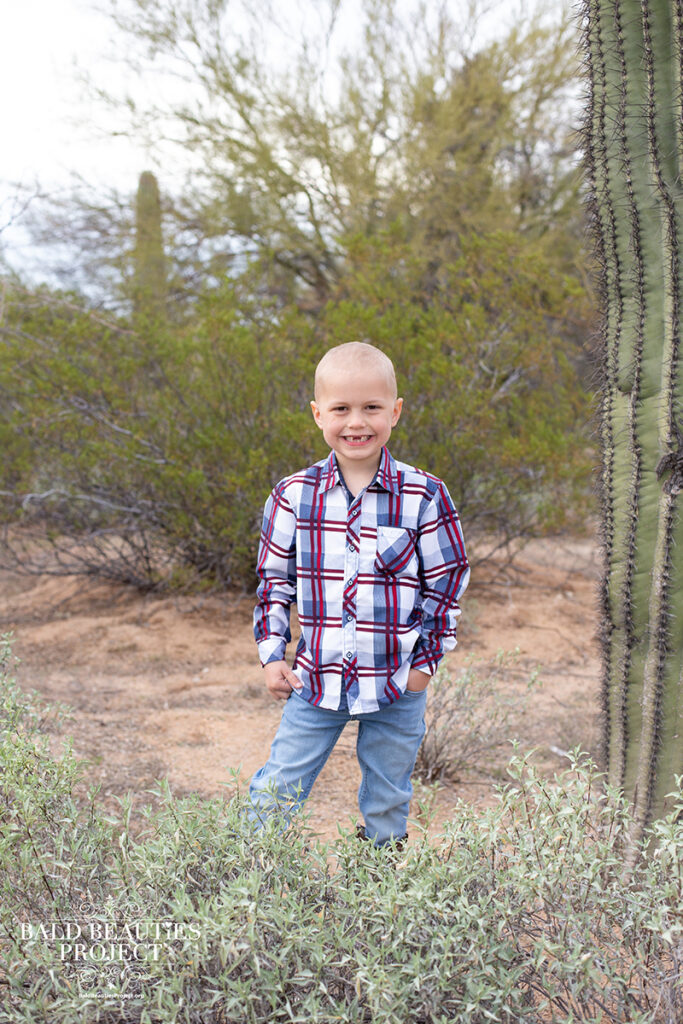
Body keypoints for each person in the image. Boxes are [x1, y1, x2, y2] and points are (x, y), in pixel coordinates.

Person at [249, 341, 470, 847]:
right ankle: (247, 874)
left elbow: (447, 582)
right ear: (317, 414)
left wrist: (423, 667)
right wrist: (272, 655)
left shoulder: (424, 494)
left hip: (396, 682)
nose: (356, 422)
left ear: (395, 411)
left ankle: (380, 882)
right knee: (277, 787)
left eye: (371, 407)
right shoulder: (293, 495)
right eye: (341, 409)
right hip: (315, 679)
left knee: (388, 796)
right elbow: (273, 583)